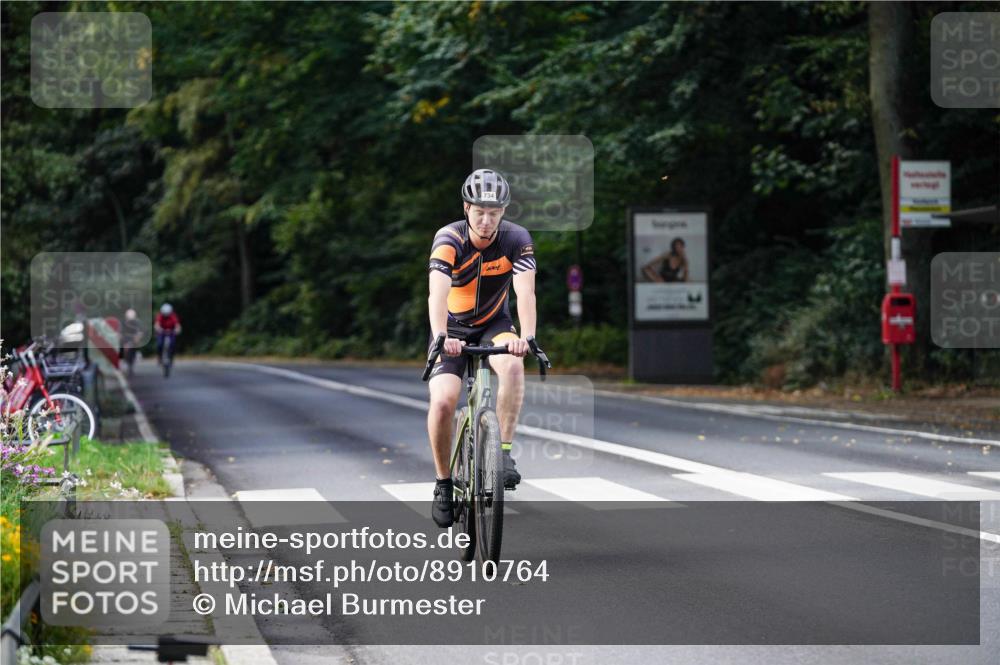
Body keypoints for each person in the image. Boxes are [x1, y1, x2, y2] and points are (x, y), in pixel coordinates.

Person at [426, 168, 537, 528]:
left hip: (495, 324)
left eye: (494, 212)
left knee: (514, 367)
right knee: (443, 401)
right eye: (479, 212)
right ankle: (444, 483)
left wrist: (528, 337)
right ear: (466, 208)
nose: (487, 221)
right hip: (452, 328)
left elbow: (525, 292)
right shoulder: (449, 238)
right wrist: (442, 337)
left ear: (503, 211)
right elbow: (437, 294)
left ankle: (503, 453)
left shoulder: (516, 238)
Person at [120, 308, 144, 377]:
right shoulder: (123, 323)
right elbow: (120, 332)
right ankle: (124, 361)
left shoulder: (137, 322)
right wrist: (121, 338)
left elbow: (140, 332)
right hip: (125, 340)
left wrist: (138, 337)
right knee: (123, 349)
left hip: (133, 340)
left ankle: (131, 363)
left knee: (133, 350)